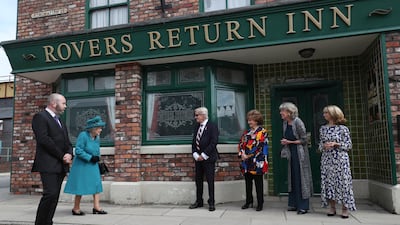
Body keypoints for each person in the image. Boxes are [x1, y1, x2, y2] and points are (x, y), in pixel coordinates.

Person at [31, 93, 73, 225]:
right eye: (64, 103)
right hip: (48, 163)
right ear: (54, 103)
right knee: (50, 194)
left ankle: (48, 222)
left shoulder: (60, 120)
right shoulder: (40, 117)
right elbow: (44, 140)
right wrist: (62, 155)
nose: (65, 106)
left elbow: (68, 142)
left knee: (54, 197)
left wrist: (69, 154)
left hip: (60, 165)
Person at [64, 116, 107, 215]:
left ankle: (96, 207)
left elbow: (96, 150)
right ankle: (76, 208)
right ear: (93, 128)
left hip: (93, 165)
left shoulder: (97, 138)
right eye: (99, 128)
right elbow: (78, 150)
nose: (101, 130)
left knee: (97, 185)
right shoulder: (83, 135)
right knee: (80, 186)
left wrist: (97, 158)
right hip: (82, 165)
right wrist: (90, 157)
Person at [319, 105, 356, 219]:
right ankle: (332, 207)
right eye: (324, 113)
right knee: (329, 182)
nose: (324, 115)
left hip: (340, 159)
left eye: (327, 113)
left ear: (333, 114)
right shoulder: (323, 128)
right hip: (327, 158)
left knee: (343, 183)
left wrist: (336, 144)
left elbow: (348, 145)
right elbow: (320, 145)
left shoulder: (343, 129)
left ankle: (345, 208)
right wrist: (324, 146)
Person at [279, 102, 313, 215]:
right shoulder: (285, 123)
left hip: (299, 153)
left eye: (282, 111)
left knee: (301, 177)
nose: (281, 113)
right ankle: (293, 203)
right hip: (291, 153)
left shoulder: (298, 122)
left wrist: (290, 142)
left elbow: (305, 140)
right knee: (292, 178)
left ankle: (303, 206)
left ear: (289, 112)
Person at [189, 107, 219, 211]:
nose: (195, 117)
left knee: (210, 181)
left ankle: (211, 202)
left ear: (203, 115)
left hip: (208, 158)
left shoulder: (212, 126)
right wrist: (195, 155)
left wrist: (204, 154)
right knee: (198, 180)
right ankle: (199, 201)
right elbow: (194, 142)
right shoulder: (197, 126)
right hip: (198, 159)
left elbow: (214, 142)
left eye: (197, 115)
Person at [238, 109, 268, 211]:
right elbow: (241, 144)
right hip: (246, 162)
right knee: (248, 183)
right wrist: (242, 153)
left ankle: (260, 203)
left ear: (257, 120)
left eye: (251, 120)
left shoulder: (262, 132)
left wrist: (249, 155)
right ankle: (248, 201)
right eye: (248, 120)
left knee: (258, 183)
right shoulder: (247, 133)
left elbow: (259, 146)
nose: (249, 122)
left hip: (257, 161)